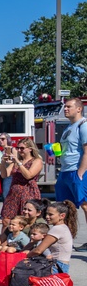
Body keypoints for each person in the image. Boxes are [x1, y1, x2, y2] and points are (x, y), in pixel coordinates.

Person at [55, 98, 87, 250]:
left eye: (68, 107)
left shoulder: (83, 125)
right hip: (65, 171)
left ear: (79, 109)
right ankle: (66, 240)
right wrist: (57, 152)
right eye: (65, 107)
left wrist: (81, 172)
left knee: (85, 205)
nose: (65, 109)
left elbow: (86, 151)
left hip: (76, 171)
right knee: (65, 207)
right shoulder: (69, 127)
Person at [25, 200, 77, 274]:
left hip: (56, 266)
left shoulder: (57, 229)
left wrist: (24, 256)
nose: (47, 217)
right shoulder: (62, 227)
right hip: (61, 266)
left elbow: (38, 250)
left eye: (50, 215)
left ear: (62, 216)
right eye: (46, 214)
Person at [0, 138, 42, 223]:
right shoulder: (16, 161)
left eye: (22, 148)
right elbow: (4, 175)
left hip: (28, 192)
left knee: (25, 220)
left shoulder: (36, 161)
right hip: (13, 193)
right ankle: (5, 236)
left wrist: (18, 162)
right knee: (6, 220)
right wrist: (3, 162)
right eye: (18, 148)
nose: (19, 150)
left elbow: (28, 175)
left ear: (30, 149)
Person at [0, 133, 13, 200]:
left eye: (3, 139)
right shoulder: (1, 151)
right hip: (1, 174)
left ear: (8, 140)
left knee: (6, 195)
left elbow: (17, 162)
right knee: (2, 194)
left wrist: (10, 161)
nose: (0, 140)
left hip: (9, 175)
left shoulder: (12, 149)